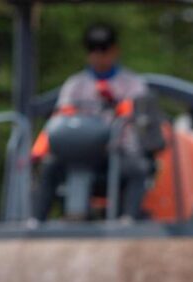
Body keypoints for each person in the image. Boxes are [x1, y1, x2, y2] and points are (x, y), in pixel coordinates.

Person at [33, 23, 151, 221]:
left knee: (138, 169)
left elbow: (139, 117)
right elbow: (62, 118)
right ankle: (35, 222)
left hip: (115, 152)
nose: (98, 56)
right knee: (49, 168)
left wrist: (115, 105)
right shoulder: (75, 85)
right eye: (93, 50)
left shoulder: (133, 84)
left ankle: (128, 219)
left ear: (115, 50)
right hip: (76, 154)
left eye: (104, 49)